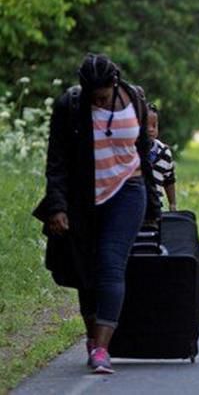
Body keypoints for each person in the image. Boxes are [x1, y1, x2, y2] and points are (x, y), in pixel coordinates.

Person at [33, 54, 160, 374]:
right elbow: (57, 159)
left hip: (129, 193)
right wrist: (57, 206)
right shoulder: (71, 105)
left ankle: (102, 348)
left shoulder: (135, 99)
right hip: (83, 199)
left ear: (114, 84)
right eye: (93, 96)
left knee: (110, 263)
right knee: (85, 271)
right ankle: (93, 340)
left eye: (102, 96)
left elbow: (143, 151)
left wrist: (154, 203)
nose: (98, 101)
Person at [144, 101, 177, 211]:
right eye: (146, 125)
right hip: (135, 206)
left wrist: (172, 203)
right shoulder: (133, 151)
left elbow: (169, 180)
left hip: (156, 206)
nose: (151, 129)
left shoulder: (164, 152)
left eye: (154, 125)